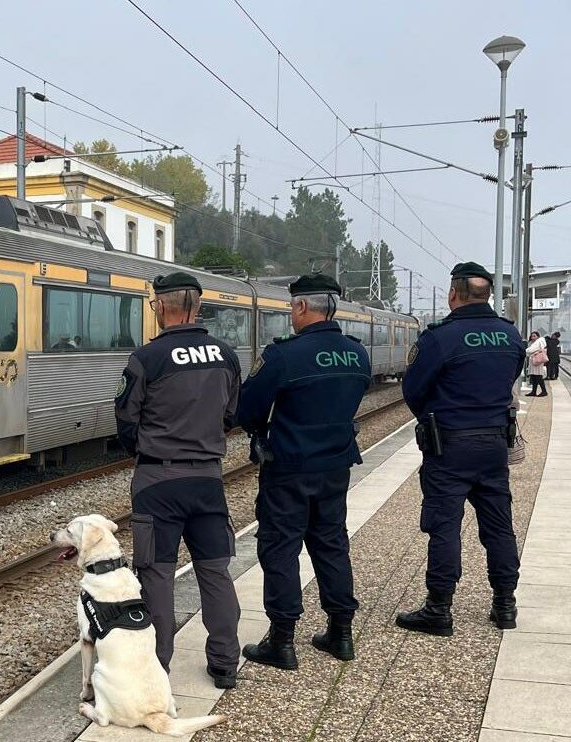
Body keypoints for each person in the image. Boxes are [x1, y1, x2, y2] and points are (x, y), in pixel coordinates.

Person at [234, 274, 371, 670]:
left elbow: (248, 409)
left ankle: (282, 640)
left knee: (280, 547)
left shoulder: (284, 356)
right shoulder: (357, 354)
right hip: (336, 466)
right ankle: (340, 632)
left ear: (300, 307)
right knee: (331, 544)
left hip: (289, 468)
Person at [114, 272, 242, 689]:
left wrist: (150, 451)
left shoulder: (147, 359)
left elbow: (126, 420)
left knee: (157, 576)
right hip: (208, 480)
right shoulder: (225, 355)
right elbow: (230, 415)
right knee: (215, 573)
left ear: (161, 306)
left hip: (157, 481)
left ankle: (158, 668)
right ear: (197, 307)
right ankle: (224, 663)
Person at [397, 262, 526, 635]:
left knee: (444, 526)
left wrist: (435, 417)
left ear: (454, 293)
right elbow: (509, 378)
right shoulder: (509, 335)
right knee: (500, 527)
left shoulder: (440, 338)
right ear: (487, 295)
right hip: (493, 445)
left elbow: (414, 390)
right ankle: (505, 605)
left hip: (449, 446)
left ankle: (439, 609)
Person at [525, 331, 548, 397]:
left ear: (538, 336)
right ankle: (534, 391)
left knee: (538, 376)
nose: (533, 337)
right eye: (532, 336)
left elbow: (530, 350)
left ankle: (544, 391)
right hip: (534, 361)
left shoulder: (538, 342)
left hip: (537, 361)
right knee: (533, 376)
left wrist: (525, 351)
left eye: (534, 336)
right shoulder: (534, 342)